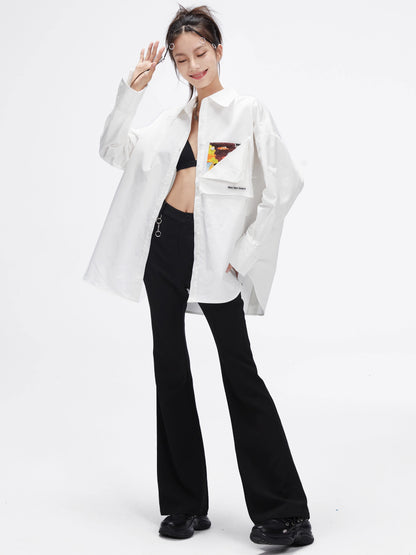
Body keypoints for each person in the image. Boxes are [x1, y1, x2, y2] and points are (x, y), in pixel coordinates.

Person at [83, 4, 314, 547]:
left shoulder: (246, 112)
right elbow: (113, 150)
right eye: (182, 59)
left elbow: (285, 185)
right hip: (164, 248)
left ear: (218, 50)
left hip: (216, 255)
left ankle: (285, 512)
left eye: (201, 53)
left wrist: (245, 252)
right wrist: (131, 92)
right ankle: (184, 505)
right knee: (170, 369)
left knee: (239, 372)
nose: (193, 66)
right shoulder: (168, 123)